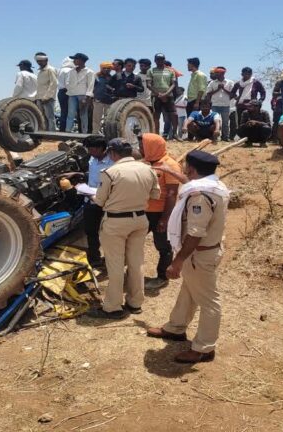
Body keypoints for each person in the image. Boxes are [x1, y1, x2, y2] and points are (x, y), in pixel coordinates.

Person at [147, 150, 230, 364]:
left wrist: (177, 261)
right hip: (204, 252)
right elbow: (192, 183)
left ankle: (204, 348)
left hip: (198, 254)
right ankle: (176, 328)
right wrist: (170, 172)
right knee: (189, 292)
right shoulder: (214, 185)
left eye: (186, 167)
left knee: (209, 301)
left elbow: (195, 232)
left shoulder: (200, 197)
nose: (183, 170)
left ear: (192, 169)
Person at [88, 139, 160, 320]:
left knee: (115, 264)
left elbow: (100, 200)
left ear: (112, 153)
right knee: (136, 263)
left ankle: (112, 307)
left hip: (116, 222)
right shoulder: (148, 169)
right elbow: (155, 195)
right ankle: (135, 303)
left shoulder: (111, 172)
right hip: (140, 219)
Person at [139, 133, 182, 290]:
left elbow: (171, 194)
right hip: (143, 211)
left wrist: (164, 219)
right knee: (134, 241)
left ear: (152, 146)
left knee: (163, 245)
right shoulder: (146, 163)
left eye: (142, 146)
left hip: (160, 212)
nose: (139, 149)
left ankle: (162, 277)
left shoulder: (170, 165)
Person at [82, 135, 114, 269]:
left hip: (107, 203)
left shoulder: (113, 162)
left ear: (101, 148)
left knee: (109, 233)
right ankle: (94, 259)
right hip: (90, 200)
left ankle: (110, 261)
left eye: (92, 149)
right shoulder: (92, 158)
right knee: (91, 231)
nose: (89, 152)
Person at [148, 54, 177, 138]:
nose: (160, 61)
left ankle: (175, 134)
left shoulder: (171, 71)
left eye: (162, 59)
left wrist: (165, 94)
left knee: (174, 114)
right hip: (156, 96)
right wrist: (159, 94)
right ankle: (156, 135)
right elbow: (149, 85)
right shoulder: (151, 71)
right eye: (158, 59)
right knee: (156, 115)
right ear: (155, 60)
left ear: (164, 60)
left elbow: (173, 84)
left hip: (169, 96)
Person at [231, 67, 266, 133]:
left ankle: (252, 136)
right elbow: (232, 92)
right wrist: (236, 97)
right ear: (242, 74)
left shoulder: (255, 82)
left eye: (248, 74)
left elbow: (263, 92)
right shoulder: (238, 83)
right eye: (245, 74)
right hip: (241, 105)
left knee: (252, 120)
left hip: (252, 105)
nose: (247, 75)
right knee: (241, 121)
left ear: (251, 74)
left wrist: (260, 100)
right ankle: (242, 135)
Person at [65, 52, 94, 133]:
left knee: (83, 115)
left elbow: (90, 85)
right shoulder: (71, 71)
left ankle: (84, 132)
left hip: (83, 95)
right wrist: (69, 88)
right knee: (70, 114)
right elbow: (67, 82)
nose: (74, 61)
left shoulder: (89, 71)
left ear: (81, 60)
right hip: (71, 94)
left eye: (75, 59)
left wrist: (87, 97)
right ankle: (68, 131)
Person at [205, 67, 234, 141]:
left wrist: (224, 89)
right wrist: (217, 89)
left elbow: (232, 94)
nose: (216, 74)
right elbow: (208, 94)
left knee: (225, 123)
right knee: (214, 121)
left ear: (223, 73)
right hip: (215, 105)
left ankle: (225, 137)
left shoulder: (230, 82)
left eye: (218, 73)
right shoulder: (212, 83)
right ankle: (214, 136)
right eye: (216, 73)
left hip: (226, 105)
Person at [34, 52, 58, 131]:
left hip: (48, 98)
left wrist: (47, 97)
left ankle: (52, 135)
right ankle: (45, 134)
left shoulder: (50, 69)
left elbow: (54, 84)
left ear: (46, 60)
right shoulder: (40, 71)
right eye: (38, 61)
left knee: (50, 117)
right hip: (39, 97)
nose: (39, 63)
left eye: (41, 61)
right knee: (41, 117)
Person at [92, 61, 114, 134]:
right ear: (101, 68)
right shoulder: (96, 76)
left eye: (108, 68)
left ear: (111, 69)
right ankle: (95, 134)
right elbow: (91, 87)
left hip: (109, 101)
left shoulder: (112, 78)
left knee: (108, 119)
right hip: (98, 100)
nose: (106, 69)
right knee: (96, 119)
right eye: (104, 68)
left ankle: (107, 134)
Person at [57, 57, 74, 132]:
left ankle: (62, 129)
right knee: (68, 113)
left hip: (60, 92)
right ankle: (66, 130)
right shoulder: (69, 70)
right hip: (67, 92)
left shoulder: (60, 70)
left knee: (63, 112)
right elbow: (68, 83)